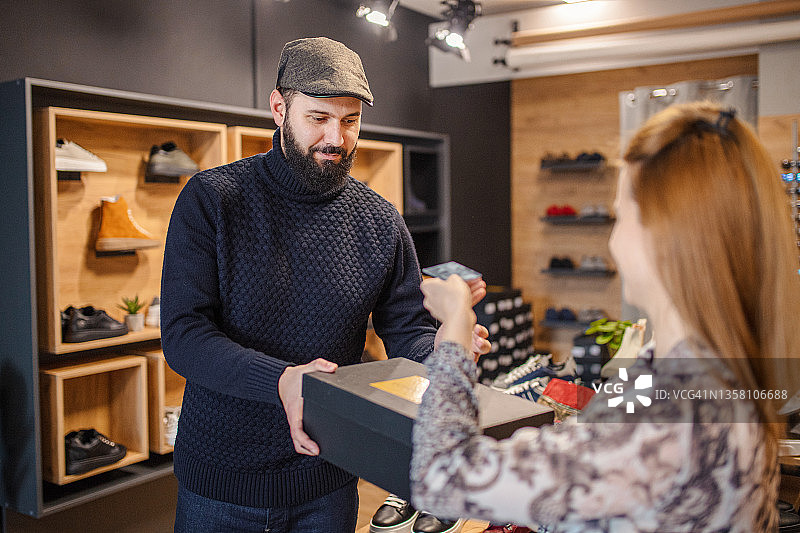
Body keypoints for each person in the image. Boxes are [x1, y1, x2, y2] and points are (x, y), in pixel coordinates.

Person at [410, 102, 800, 532]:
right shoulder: (725, 367)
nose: (613, 242)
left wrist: (453, 336)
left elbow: (440, 478)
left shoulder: (662, 428)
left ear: (663, 236)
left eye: (620, 217)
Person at [161, 36, 489, 532]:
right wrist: (282, 377)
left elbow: (406, 332)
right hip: (220, 485)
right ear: (278, 107)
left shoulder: (379, 220)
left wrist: (443, 346)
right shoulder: (212, 200)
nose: (336, 137)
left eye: (350, 120)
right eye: (318, 118)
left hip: (328, 482)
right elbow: (184, 336)